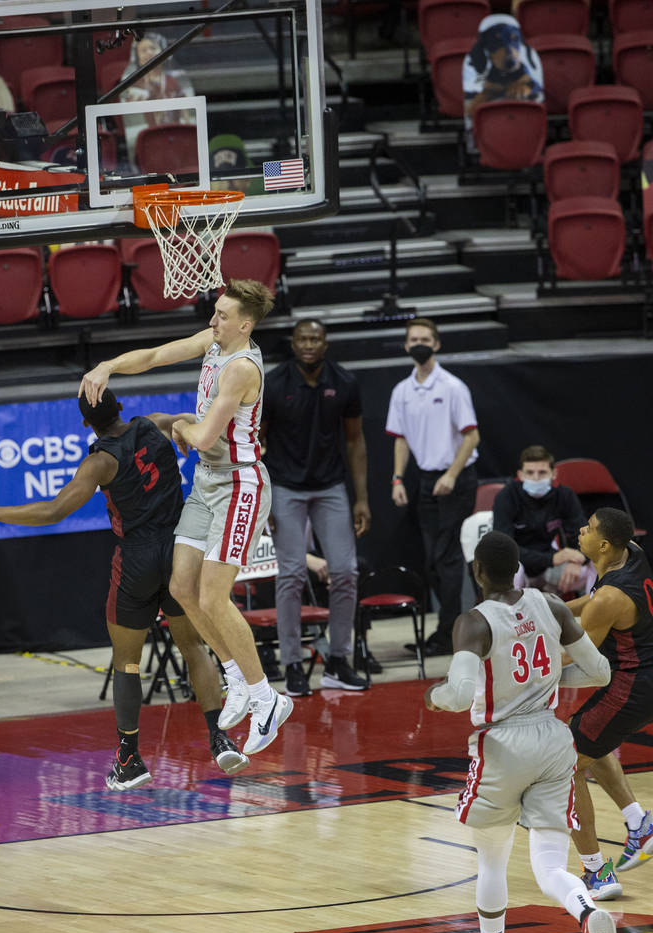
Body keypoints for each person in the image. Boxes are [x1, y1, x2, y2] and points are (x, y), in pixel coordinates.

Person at [0, 387, 249, 790]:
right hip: (179, 550)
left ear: (85, 423)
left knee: (127, 663)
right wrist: (185, 429)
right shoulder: (155, 424)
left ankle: (130, 759)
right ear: (120, 406)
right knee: (193, 647)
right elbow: (200, 424)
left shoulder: (100, 462)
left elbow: (54, 509)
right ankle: (220, 736)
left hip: (137, 559)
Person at [79, 279, 294, 756]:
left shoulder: (240, 368)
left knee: (214, 597)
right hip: (208, 481)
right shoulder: (214, 341)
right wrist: (108, 365)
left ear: (245, 324)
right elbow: (156, 355)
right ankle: (236, 676)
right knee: (180, 587)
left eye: (221, 315)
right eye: (214, 313)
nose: (212, 320)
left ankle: (267, 699)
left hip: (240, 484)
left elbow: (199, 437)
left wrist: (177, 424)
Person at [425, 530, 618, 933]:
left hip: (504, 746)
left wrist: (432, 697)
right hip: (553, 740)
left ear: (477, 572)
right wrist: (550, 677)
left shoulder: (472, 622)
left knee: (492, 859)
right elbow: (599, 672)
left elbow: (455, 694)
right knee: (549, 866)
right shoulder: (551, 604)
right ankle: (590, 916)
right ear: (516, 569)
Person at [261, 319, 370, 697]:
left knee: (345, 572)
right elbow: (256, 445)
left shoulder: (344, 382)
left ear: (326, 342)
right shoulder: (273, 384)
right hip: (285, 488)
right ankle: (292, 664)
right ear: (293, 344)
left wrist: (362, 498)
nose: (308, 344)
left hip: (330, 487)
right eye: (302, 339)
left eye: (315, 338)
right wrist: (264, 499)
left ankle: (338, 661)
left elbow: (355, 441)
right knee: (290, 575)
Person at [566, 508, 653, 899]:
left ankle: (597, 873)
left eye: (588, 528)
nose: (580, 530)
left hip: (633, 687)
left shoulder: (613, 598)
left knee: (564, 767)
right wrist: (549, 607)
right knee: (586, 737)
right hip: (642, 679)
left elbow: (576, 655)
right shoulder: (632, 551)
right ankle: (640, 824)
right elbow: (593, 598)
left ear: (602, 545)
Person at [386, 317, 480, 656]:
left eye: (426, 338)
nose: (420, 343)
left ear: (437, 344)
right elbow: (400, 440)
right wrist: (398, 478)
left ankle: (449, 636)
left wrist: (452, 474)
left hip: (456, 478)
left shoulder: (453, 387)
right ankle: (452, 628)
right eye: (414, 339)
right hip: (426, 480)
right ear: (406, 345)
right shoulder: (402, 391)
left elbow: (472, 436)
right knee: (432, 560)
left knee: (449, 558)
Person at [493, 444, 594, 597]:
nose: (536, 478)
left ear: (553, 474)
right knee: (511, 569)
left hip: (551, 566)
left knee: (595, 565)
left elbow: (586, 535)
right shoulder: (506, 497)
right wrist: (552, 558)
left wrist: (579, 559)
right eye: (530, 473)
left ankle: (592, 616)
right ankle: (513, 618)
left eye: (542, 472)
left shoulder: (564, 495)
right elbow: (506, 549)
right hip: (522, 564)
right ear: (520, 475)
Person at [463, 14, 544, 153]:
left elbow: (535, 86)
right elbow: (487, 91)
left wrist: (524, 88)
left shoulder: (524, 72)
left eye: (514, 40)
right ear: (485, 47)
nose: (510, 55)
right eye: (497, 43)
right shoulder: (488, 76)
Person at [120, 31, 196, 171]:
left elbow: (188, 116)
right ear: (137, 56)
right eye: (143, 50)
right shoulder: (133, 85)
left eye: (153, 48)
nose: (149, 52)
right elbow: (134, 125)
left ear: (162, 51)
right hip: (149, 144)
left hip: (178, 140)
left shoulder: (176, 79)